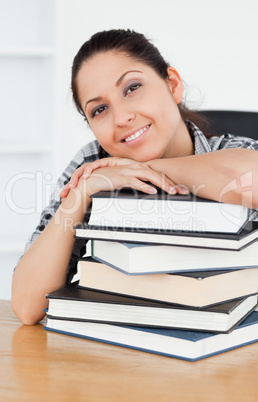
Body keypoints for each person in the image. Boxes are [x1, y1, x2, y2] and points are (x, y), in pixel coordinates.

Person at [12, 29, 258, 325]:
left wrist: (153, 167)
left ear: (173, 85)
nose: (121, 118)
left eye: (132, 88)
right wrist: (82, 192)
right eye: (99, 109)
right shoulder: (93, 164)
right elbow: (28, 307)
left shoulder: (232, 151)